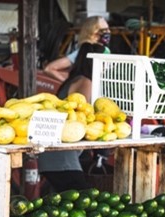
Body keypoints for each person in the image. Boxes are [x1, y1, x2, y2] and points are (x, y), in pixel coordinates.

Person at [38, 16, 111, 193]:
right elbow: (86, 119)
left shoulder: (76, 80)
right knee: (85, 198)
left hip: (56, 156)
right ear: (94, 63)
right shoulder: (86, 82)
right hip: (60, 159)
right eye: (104, 64)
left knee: (63, 202)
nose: (107, 68)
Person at [43, 16, 111, 83]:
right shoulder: (83, 51)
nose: (108, 32)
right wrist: (69, 83)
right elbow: (49, 68)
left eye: (108, 29)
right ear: (93, 33)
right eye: (103, 30)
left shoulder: (106, 50)